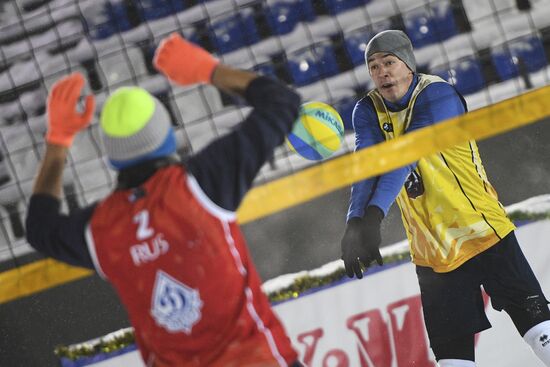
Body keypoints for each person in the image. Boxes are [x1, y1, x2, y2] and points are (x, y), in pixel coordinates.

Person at [25, 33, 303, 367]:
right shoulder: (201, 185)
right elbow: (282, 103)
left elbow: (39, 228)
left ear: (112, 158)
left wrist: (58, 140)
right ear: (166, 136)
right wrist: (208, 70)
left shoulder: (101, 230)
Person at [340, 30, 550, 367]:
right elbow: (366, 167)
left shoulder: (437, 95)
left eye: (389, 62)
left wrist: (375, 215)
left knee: (541, 332)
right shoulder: (366, 110)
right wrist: (354, 221)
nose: (382, 72)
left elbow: (406, 155)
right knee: (452, 360)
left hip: (481, 230)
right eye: (373, 67)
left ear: (407, 64)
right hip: (432, 250)